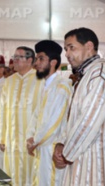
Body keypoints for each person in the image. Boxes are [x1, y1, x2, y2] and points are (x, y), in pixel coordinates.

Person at [52, 27, 105, 186]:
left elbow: (88, 122)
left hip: (99, 164)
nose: (67, 54)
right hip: (81, 158)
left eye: (72, 48)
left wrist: (65, 154)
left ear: (89, 46)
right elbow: (73, 117)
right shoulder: (86, 75)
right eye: (66, 49)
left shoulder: (101, 74)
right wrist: (61, 143)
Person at [0, 46, 44, 185]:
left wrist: (38, 137)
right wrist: (1, 137)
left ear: (29, 60)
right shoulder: (9, 81)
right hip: (11, 139)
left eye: (18, 57)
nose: (14, 60)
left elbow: (43, 111)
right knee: (12, 174)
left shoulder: (41, 80)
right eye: (14, 57)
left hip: (32, 140)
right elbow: (2, 110)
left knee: (31, 175)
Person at [26, 40, 72, 186]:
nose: (36, 63)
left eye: (41, 59)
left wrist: (35, 141)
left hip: (52, 147)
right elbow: (36, 115)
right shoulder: (45, 85)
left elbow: (53, 122)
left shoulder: (61, 87)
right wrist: (30, 136)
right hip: (41, 146)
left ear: (53, 62)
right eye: (36, 59)